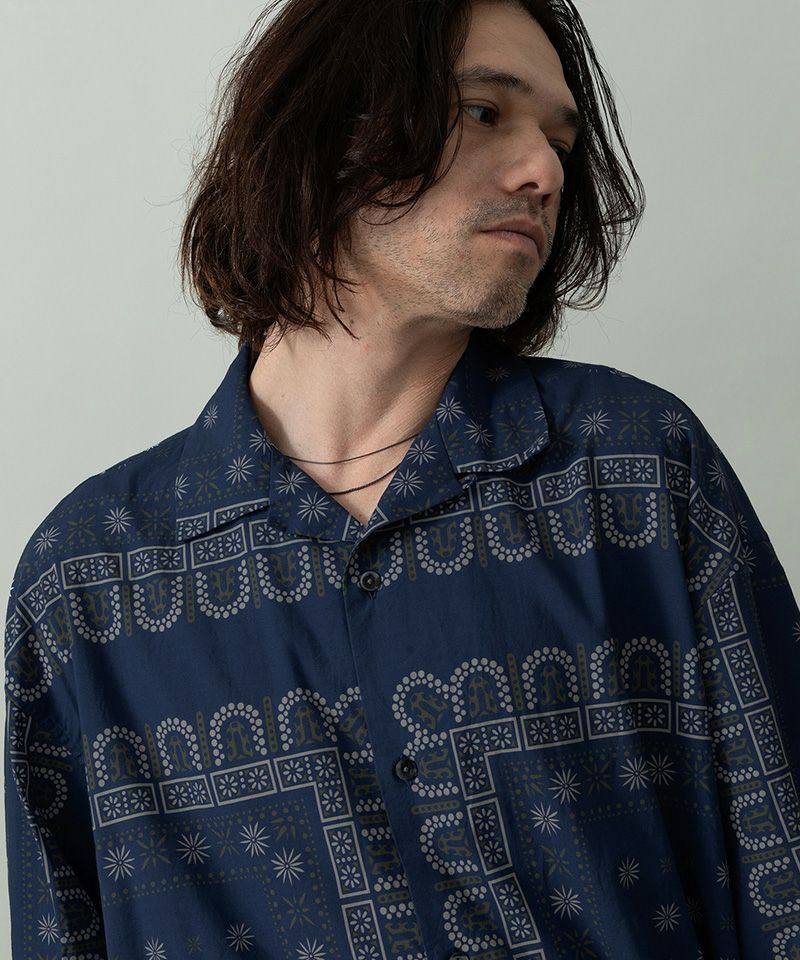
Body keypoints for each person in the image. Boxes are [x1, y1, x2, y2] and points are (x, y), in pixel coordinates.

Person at [4, 0, 798, 957]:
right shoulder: (89, 582)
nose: (546, 171)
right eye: (484, 112)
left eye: (559, 141)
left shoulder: (634, 473)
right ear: (327, 126)